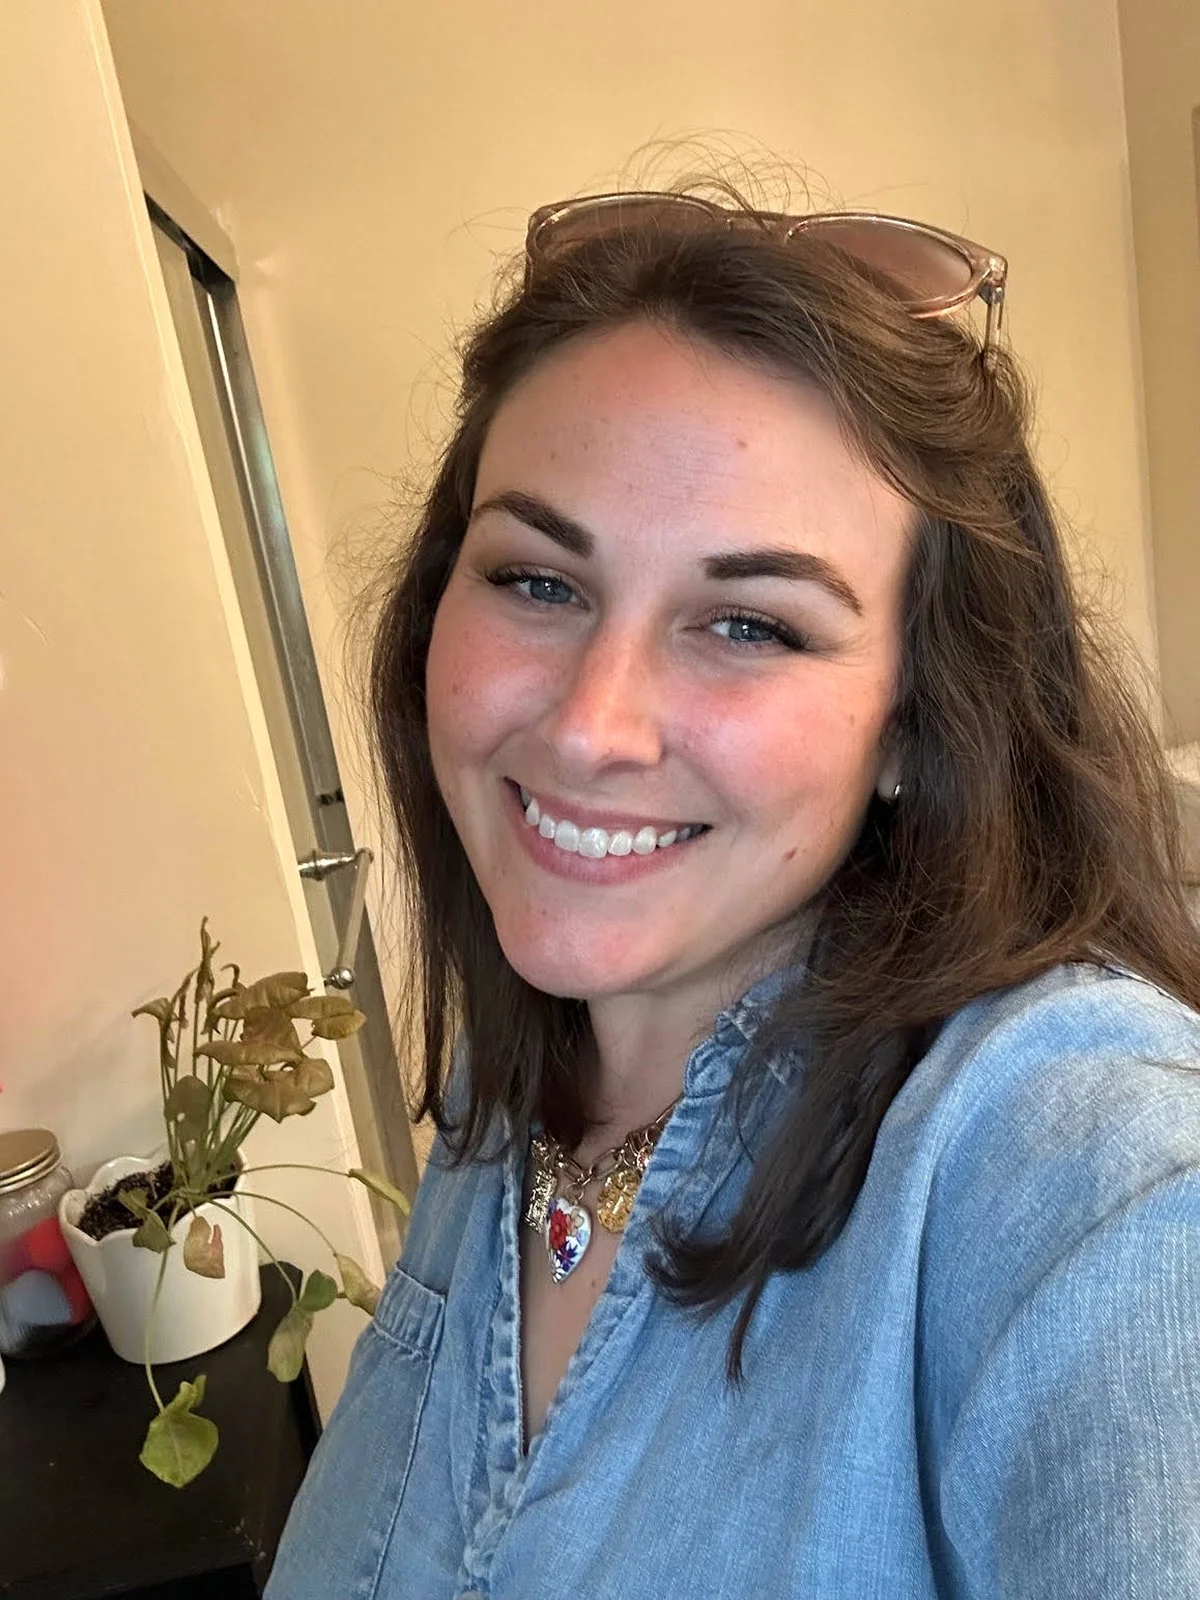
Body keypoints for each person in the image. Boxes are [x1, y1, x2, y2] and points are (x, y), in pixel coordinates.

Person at [266, 187, 1200, 1598]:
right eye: (535, 579)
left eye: (750, 623)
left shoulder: (1078, 1161)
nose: (590, 727)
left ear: (913, 720)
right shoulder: (516, 1075)